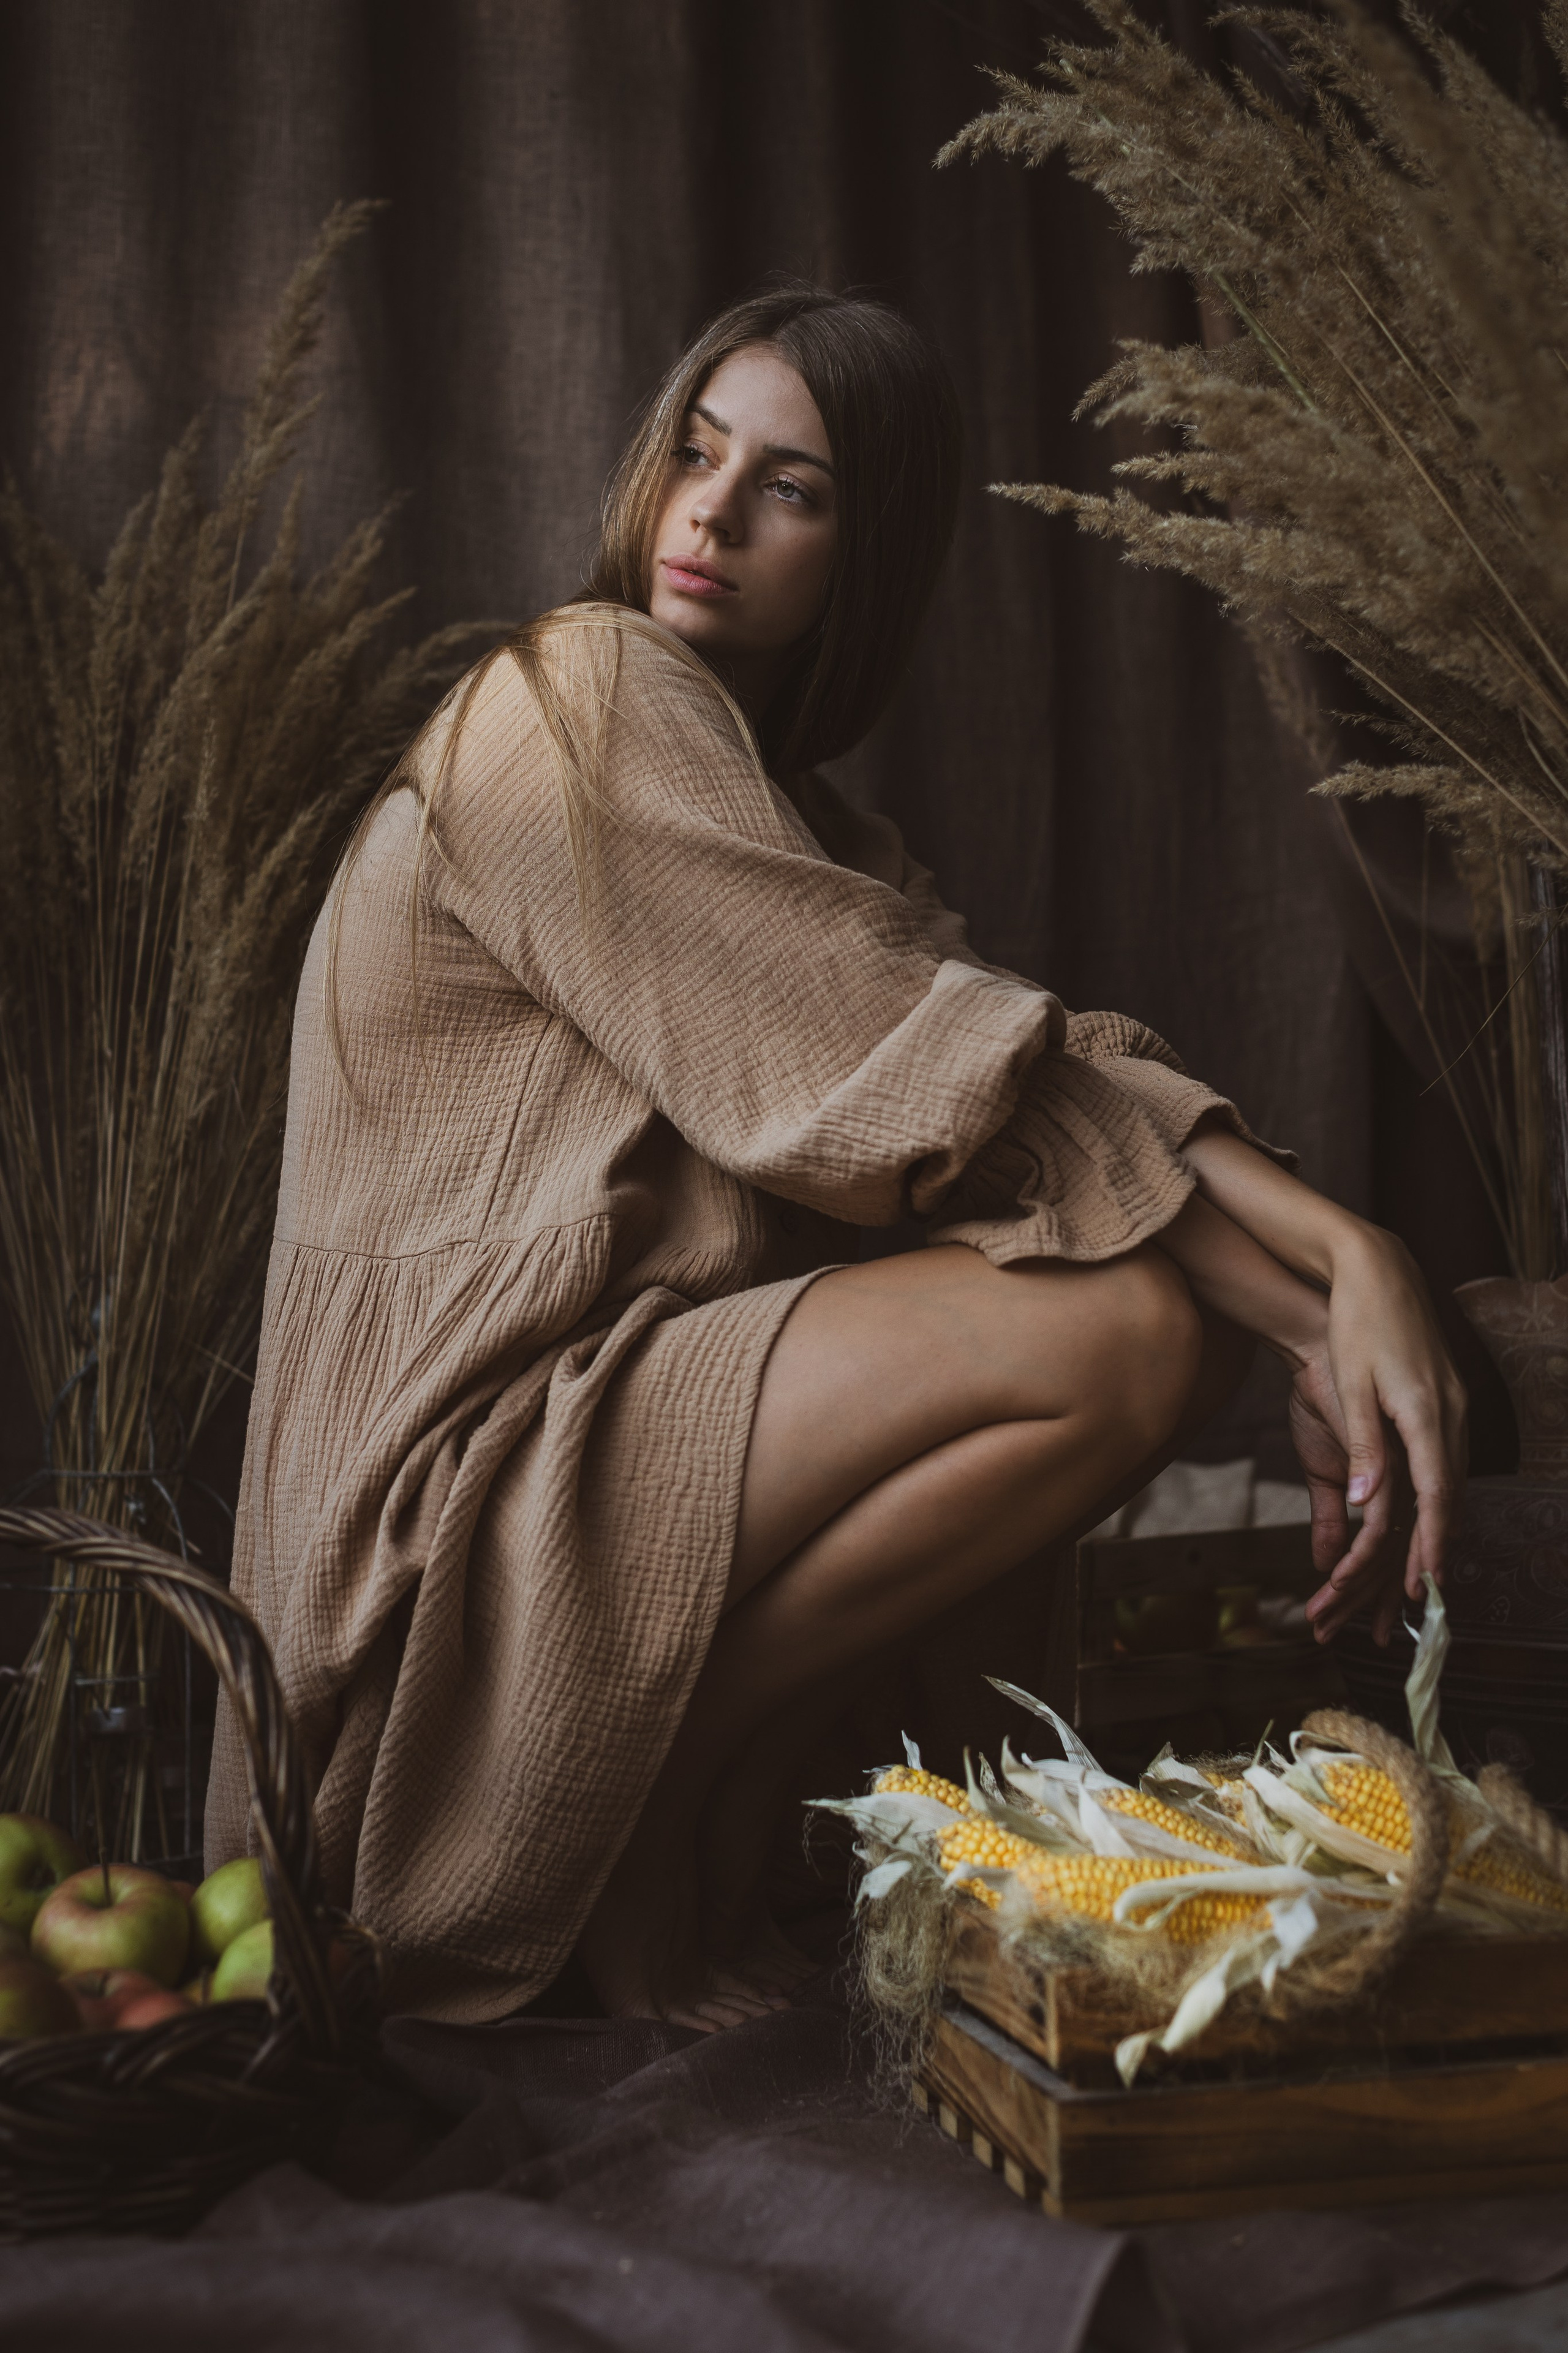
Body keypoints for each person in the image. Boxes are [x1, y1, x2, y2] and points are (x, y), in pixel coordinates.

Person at [204, 286, 1467, 2033]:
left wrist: (1333, 1292)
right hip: (450, 1496)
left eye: (789, 487)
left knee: (1129, 1312)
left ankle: (666, 1781)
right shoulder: (575, 696)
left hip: (598, 1413)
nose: (709, 514)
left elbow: (1011, 1071)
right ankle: (630, 1802)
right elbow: (933, 1087)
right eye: (694, 454)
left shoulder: (813, 826)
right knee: (1116, 1331)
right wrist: (1337, 1270)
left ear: (864, 554)